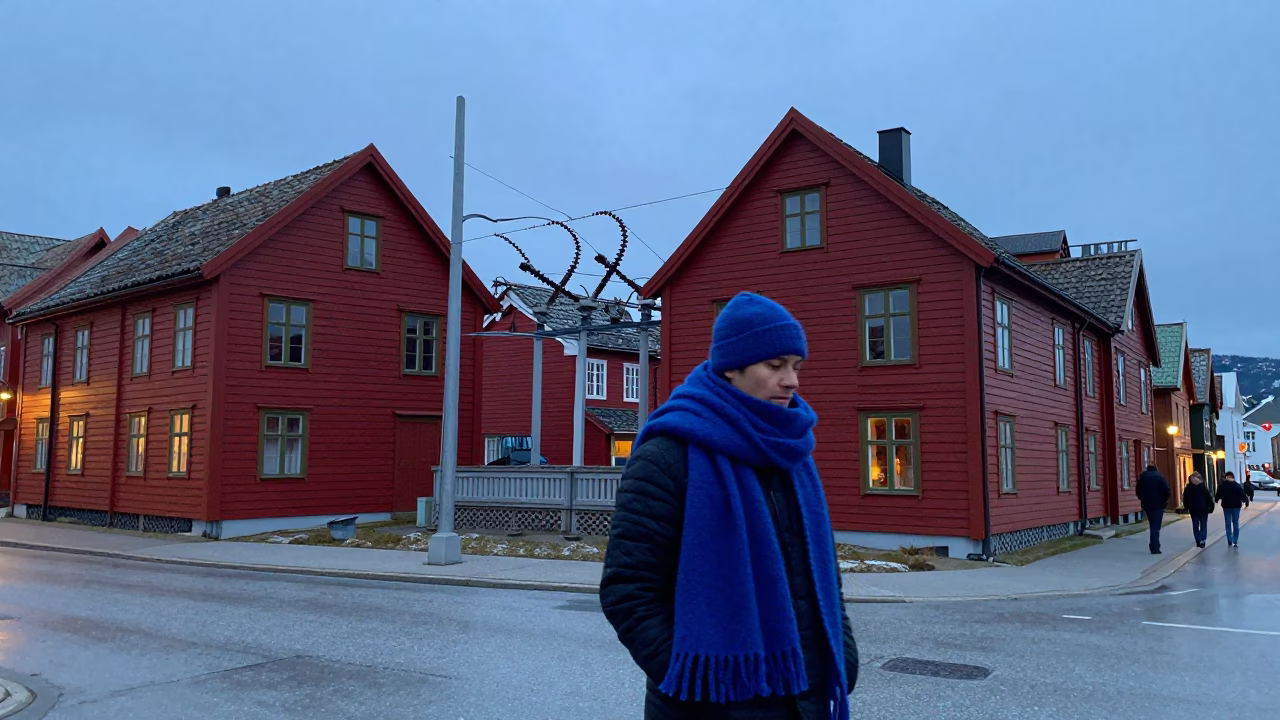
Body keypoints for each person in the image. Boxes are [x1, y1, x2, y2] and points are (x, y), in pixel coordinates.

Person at [601, 292, 857, 720]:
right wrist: (695, 683)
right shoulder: (670, 453)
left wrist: (842, 657)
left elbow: (821, 574)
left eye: (796, 366)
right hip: (710, 704)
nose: (791, 381)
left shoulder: (791, 451)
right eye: (775, 366)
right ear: (732, 368)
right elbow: (628, 590)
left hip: (804, 699)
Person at [1135, 464, 1171, 554]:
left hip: (1147, 504)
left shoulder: (1142, 477)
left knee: (1152, 524)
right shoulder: (1160, 477)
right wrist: (1166, 499)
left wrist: (1142, 498)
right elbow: (1166, 490)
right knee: (1156, 526)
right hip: (1159, 504)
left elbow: (1138, 490)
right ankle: (1155, 547)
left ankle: (1153, 545)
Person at [1182, 472, 1214, 548]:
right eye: (1193, 479)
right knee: (1196, 525)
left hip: (1203, 510)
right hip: (1194, 510)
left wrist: (1211, 507)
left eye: (1196, 479)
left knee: (1202, 525)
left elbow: (1208, 498)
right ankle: (1198, 540)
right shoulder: (1188, 489)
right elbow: (1185, 499)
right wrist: (1187, 507)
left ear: (1199, 479)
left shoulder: (1203, 488)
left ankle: (1202, 540)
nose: (1195, 480)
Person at [1217, 472, 1249, 548]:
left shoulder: (1222, 486)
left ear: (1226, 477)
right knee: (1235, 524)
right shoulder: (1237, 485)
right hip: (1236, 507)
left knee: (1228, 524)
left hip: (1226, 507)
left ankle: (1229, 540)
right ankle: (1235, 540)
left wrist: (1216, 499)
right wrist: (1246, 501)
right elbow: (1242, 494)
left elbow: (1218, 494)